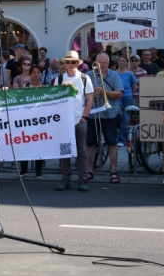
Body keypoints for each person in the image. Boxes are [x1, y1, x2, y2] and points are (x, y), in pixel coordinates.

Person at [54, 51, 94, 192]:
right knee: (64, 151)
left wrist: (84, 117)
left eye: (73, 62)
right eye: (68, 62)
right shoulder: (59, 79)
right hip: (64, 121)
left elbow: (89, 100)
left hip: (79, 119)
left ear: (78, 63)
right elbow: (55, 101)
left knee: (82, 151)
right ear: (65, 63)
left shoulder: (84, 78)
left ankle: (82, 181)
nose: (70, 65)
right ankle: (65, 180)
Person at [86, 53, 124, 183]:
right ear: (95, 63)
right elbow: (82, 94)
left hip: (109, 114)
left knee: (112, 143)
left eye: (104, 63)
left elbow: (119, 93)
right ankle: (89, 171)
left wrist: (104, 92)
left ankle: (114, 171)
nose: (102, 65)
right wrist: (91, 96)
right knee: (90, 144)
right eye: (99, 63)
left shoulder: (114, 75)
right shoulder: (88, 76)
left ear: (108, 63)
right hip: (92, 114)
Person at [115, 56, 137, 147]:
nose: (122, 62)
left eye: (124, 61)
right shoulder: (113, 73)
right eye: (120, 60)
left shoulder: (130, 74)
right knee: (115, 117)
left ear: (126, 63)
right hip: (115, 97)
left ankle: (122, 140)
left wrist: (128, 94)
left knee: (125, 119)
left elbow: (134, 87)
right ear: (118, 62)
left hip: (127, 97)